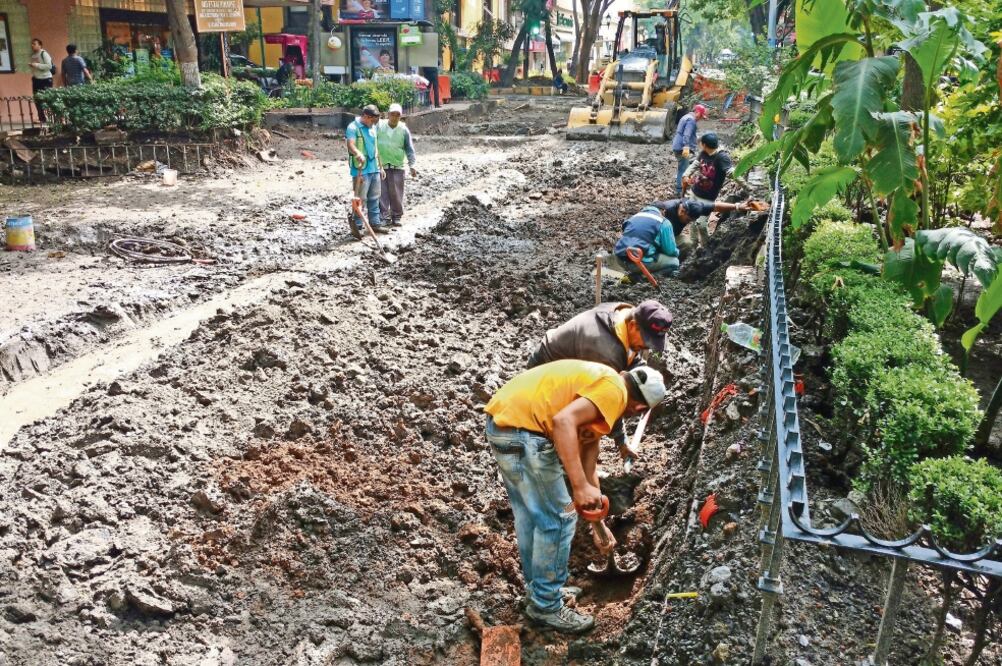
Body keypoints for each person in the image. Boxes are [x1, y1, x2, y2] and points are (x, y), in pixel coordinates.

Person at [484, 360, 666, 633]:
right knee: (562, 517)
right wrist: (578, 488)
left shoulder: (602, 387)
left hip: (504, 427)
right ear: (639, 409)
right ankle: (546, 605)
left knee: (532, 516)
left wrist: (598, 526)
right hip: (526, 435)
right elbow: (563, 422)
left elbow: (588, 463)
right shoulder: (614, 392)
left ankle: (540, 591)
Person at [526, 300, 673, 452]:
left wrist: (650, 383)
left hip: (564, 368)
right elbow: (609, 400)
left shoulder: (622, 316)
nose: (648, 347)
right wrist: (621, 440)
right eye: (647, 341)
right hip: (541, 379)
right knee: (576, 424)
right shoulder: (604, 351)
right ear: (633, 325)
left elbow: (630, 358)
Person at [681, 132, 749, 246]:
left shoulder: (721, 157)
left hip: (708, 198)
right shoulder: (703, 153)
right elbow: (695, 165)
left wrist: (747, 187)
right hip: (695, 192)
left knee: (701, 224)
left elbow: (733, 173)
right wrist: (686, 174)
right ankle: (693, 244)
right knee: (692, 219)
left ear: (704, 144)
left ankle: (706, 246)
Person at [345, 104, 386, 239]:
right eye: (372, 120)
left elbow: (376, 148)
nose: (374, 123)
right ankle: (357, 226)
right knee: (360, 199)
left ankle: (375, 223)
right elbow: (350, 144)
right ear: (366, 117)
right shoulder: (353, 127)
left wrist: (380, 167)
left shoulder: (372, 128)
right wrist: (357, 153)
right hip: (361, 169)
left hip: (374, 168)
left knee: (375, 197)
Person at [376, 103, 417, 227]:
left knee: (396, 193)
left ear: (400, 116)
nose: (394, 117)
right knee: (381, 193)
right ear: (388, 114)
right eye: (392, 114)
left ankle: (396, 216)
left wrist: (412, 165)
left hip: (397, 165)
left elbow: (409, 149)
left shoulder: (403, 129)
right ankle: (384, 216)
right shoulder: (379, 126)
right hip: (381, 165)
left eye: (397, 115)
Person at [670, 104, 706, 194]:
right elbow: (686, 135)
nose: (700, 119)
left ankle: (683, 187)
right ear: (697, 113)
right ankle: (680, 190)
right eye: (701, 116)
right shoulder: (691, 120)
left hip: (677, 145)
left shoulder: (685, 117)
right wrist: (686, 147)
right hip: (682, 147)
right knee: (683, 169)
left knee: (683, 166)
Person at [29, 39, 54, 122]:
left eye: (34, 44)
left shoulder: (44, 54)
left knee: (48, 98)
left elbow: (49, 66)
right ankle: (42, 118)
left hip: (45, 79)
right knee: (37, 99)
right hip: (36, 79)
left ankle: (53, 117)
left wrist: (36, 65)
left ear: (40, 45)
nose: (32, 45)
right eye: (32, 44)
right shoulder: (33, 56)